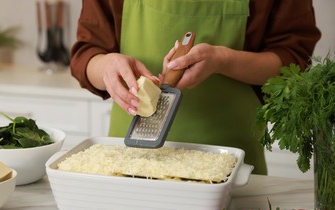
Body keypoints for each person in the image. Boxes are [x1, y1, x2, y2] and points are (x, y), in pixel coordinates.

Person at [70, 0, 321, 175]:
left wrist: (224, 60)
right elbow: (87, 53)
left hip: (229, 163)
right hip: (129, 161)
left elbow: (293, 59)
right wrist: (106, 67)